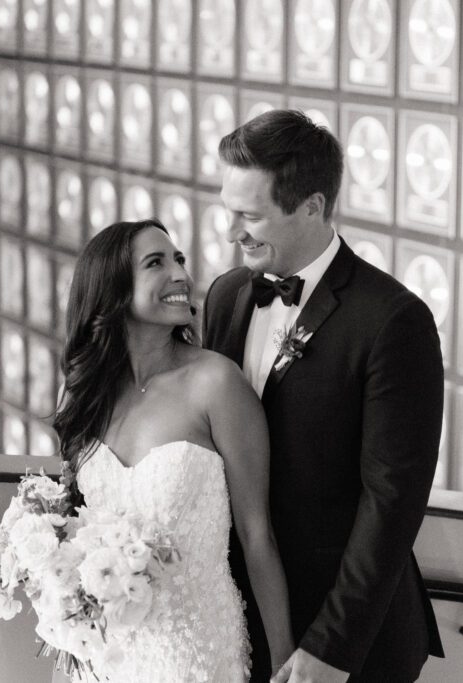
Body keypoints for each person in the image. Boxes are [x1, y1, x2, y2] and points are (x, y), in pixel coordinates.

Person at [204, 110, 445, 683]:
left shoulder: (393, 321)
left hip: (343, 645)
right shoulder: (225, 295)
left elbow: (391, 503)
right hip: (237, 621)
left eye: (250, 215)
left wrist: (331, 650)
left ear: (312, 206)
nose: (231, 230)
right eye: (228, 209)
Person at [52, 219, 294, 682]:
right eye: (156, 263)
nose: (180, 274)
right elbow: (77, 531)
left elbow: (257, 533)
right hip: (106, 660)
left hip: (195, 653)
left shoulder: (216, 384)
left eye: (179, 259)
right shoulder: (86, 396)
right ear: (113, 288)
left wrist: (284, 663)